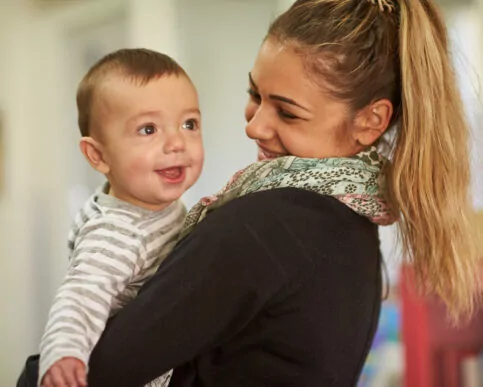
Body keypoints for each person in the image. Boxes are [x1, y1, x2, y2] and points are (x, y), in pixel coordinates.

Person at [17, 0, 480, 386]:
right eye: (255, 94)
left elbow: (95, 373)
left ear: (370, 121)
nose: (254, 124)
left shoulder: (267, 224)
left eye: (288, 112)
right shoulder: (353, 222)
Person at [38, 48, 205, 387]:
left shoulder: (151, 204)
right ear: (98, 155)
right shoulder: (116, 232)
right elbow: (81, 295)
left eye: (189, 124)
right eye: (148, 129)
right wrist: (64, 353)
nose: (176, 142)